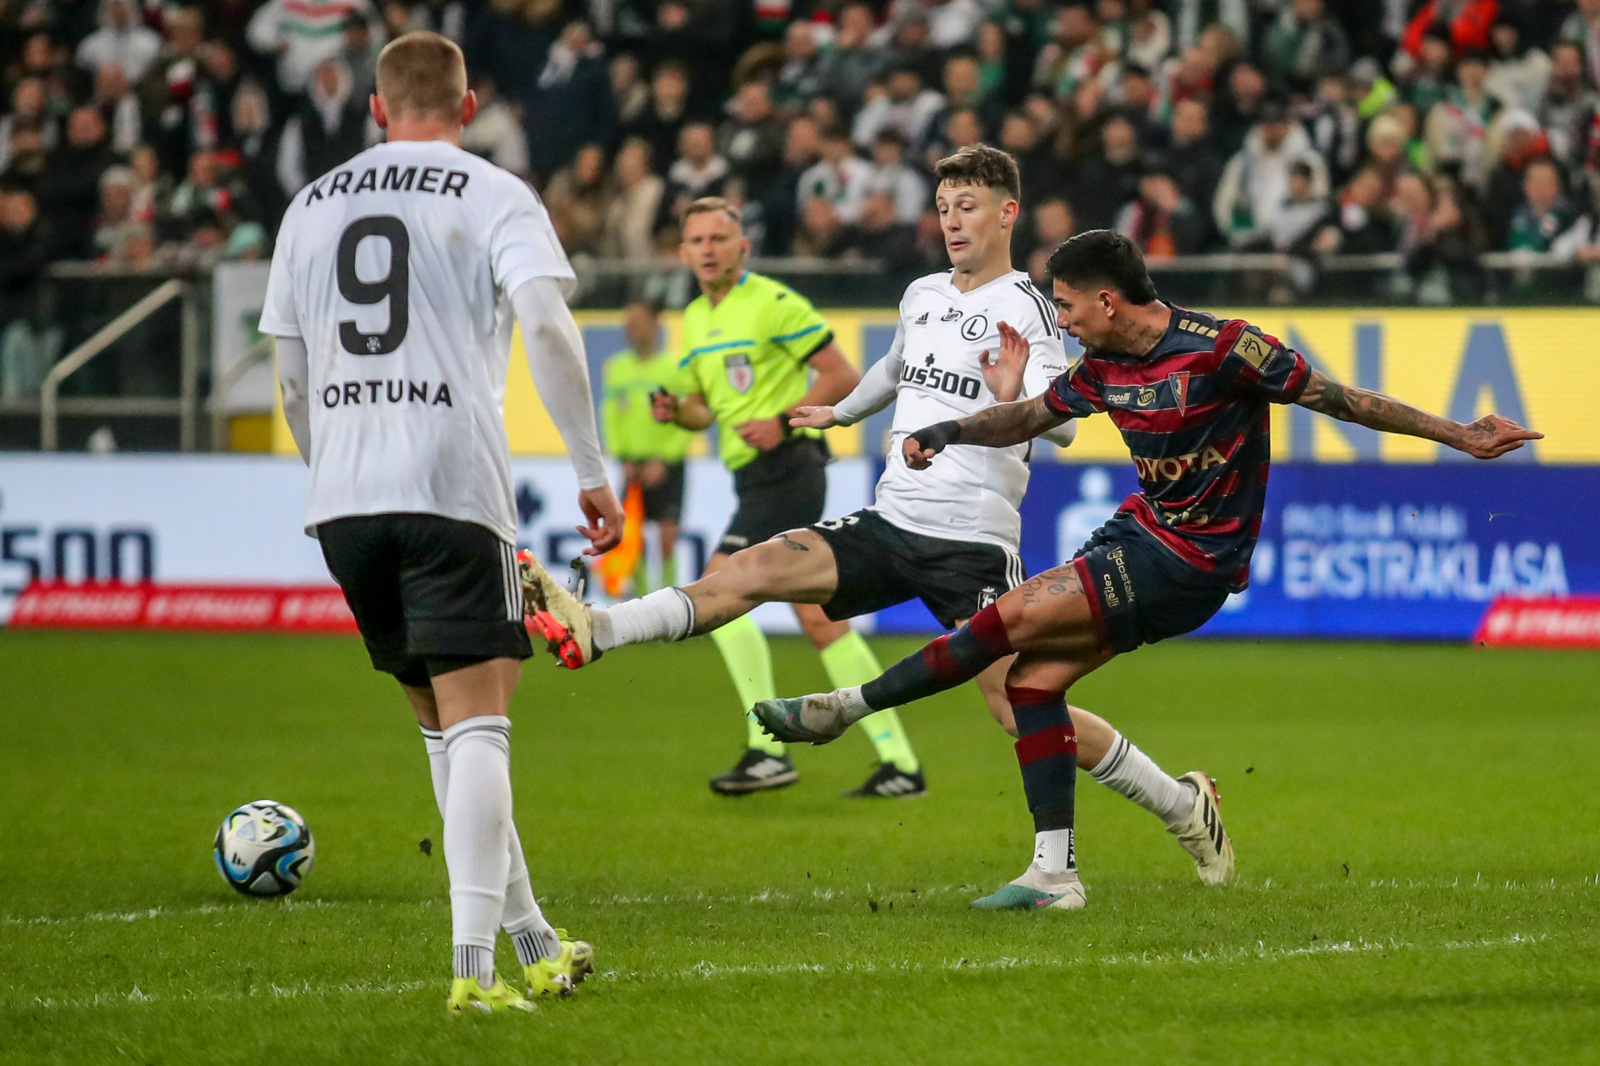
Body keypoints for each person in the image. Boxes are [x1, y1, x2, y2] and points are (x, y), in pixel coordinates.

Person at [752, 229, 1540, 911]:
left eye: (1065, 305)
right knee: (1029, 683)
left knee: (1009, 621)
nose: (1059, 320)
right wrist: (949, 429)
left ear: (1107, 301)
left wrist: (1459, 434)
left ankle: (845, 709)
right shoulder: (1099, 367)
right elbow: (1028, 415)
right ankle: (1060, 872)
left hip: (1194, 562)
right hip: (1143, 537)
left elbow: (1342, 399)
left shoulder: (1226, 347)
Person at [524, 148, 1239, 876]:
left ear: (1006, 213)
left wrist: (1012, 386)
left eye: (967, 206)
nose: (952, 221)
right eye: (943, 207)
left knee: (1018, 703)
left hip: (973, 545)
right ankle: (602, 628)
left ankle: (1181, 805)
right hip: (891, 519)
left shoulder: (1029, 306)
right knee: (753, 568)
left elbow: (1060, 424)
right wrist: (840, 411)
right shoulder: (923, 291)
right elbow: (895, 369)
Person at [258, 31, 623, 1013]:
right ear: (467, 109)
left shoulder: (307, 207)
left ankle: (534, 938)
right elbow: (547, 326)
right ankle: (472, 974)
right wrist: (590, 471)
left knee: (445, 735)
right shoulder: (495, 193)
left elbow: (290, 374)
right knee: (482, 727)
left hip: (341, 500)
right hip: (450, 489)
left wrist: (330, 468)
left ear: (376, 110)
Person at [529, 195, 923, 798]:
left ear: (743, 248)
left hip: (789, 467)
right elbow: (699, 412)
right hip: (755, 477)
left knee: (720, 584)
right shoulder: (695, 319)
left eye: (720, 239)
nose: (709, 251)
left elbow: (842, 374)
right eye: (698, 241)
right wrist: (675, 410)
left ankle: (766, 751)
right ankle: (900, 763)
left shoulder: (771, 302)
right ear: (683, 252)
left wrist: (782, 421)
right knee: (817, 621)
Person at [600, 297, 694, 591]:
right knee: (632, 534)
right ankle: (640, 597)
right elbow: (610, 415)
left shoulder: (674, 369)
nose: (631, 329)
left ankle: (669, 595)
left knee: (667, 535)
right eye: (628, 324)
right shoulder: (616, 368)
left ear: (654, 326)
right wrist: (621, 456)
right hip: (632, 462)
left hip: (666, 463)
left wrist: (665, 459)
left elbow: (688, 418)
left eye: (637, 323)